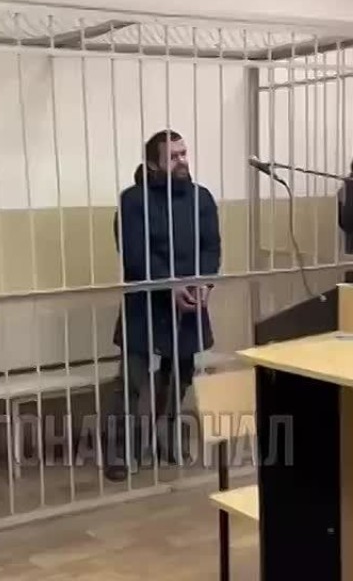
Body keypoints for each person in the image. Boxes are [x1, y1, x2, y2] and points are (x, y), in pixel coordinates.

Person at [105, 130, 221, 481]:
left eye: (183, 153)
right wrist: (170, 285)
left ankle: (168, 443)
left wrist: (204, 284)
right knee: (132, 383)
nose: (182, 161)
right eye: (173, 156)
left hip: (189, 305)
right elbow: (135, 253)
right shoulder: (133, 200)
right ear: (154, 163)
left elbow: (211, 247)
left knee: (178, 380)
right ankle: (121, 453)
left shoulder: (201, 198)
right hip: (146, 305)